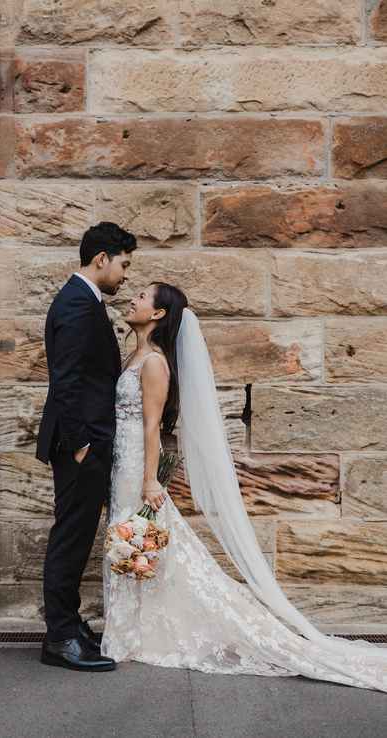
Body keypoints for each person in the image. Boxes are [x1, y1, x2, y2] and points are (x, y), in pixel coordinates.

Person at [101, 282, 387, 693]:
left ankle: (137, 633)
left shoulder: (155, 364)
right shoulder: (136, 354)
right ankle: (131, 631)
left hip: (135, 468)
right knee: (139, 544)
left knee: (143, 542)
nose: (134, 299)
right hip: (122, 465)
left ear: (159, 314)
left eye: (143, 297)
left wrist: (149, 480)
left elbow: (152, 427)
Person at [36, 221, 137, 672]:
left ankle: (70, 625)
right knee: (70, 538)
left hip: (87, 442)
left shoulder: (84, 300)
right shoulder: (78, 304)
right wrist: (80, 446)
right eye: (124, 264)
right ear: (102, 259)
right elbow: (68, 381)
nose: (126, 275)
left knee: (76, 537)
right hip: (81, 444)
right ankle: (60, 638)